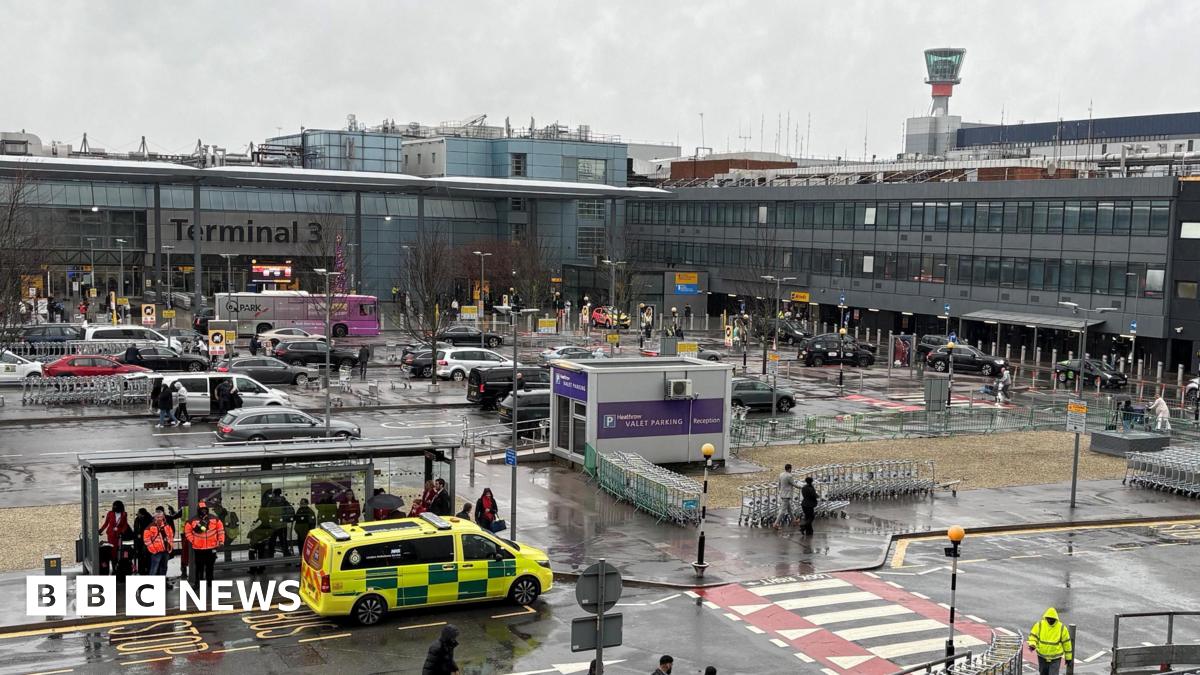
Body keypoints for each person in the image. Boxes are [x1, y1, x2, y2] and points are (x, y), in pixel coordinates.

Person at [183, 500, 225, 586]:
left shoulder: (214, 519)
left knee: (210, 566)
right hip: (199, 548)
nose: (204, 511)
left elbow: (220, 530)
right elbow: (187, 532)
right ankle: (198, 583)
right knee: (199, 567)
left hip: (212, 547)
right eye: (202, 509)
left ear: (207, 509)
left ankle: (210, 583)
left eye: (205, 509)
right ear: (199, 510)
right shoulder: (192, 521)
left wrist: (221, 541)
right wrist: (193, 541)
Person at [1028, 607, 1073, 675]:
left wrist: (1068, 657)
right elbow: (1033, 636)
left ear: (1055, 619)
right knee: (1043, 673)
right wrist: (1032, 644)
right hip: (1042, 656)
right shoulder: (1040, 625)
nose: (1050, 620)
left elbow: (1067, 643)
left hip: (1055, 658)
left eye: (1052, 619)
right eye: (1048, 618)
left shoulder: (1061, 628)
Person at [99, 500, 130, 570]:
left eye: (115, 506)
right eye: (114, 506)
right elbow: (106, 523)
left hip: (119, 535)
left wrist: (122, 531)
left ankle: (117, 565)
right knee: (112, 550)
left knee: (118, 550)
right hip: (111, 534)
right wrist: (101, 530)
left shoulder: (124, 514)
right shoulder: (110, 513)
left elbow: (125, 524)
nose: (114, 507)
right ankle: (114, 567)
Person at [143, 510, 174, 579]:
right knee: (154, 569)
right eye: (157, 517)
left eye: (160, 517)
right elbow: (147, 540)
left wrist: (170, 546)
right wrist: (154, 550)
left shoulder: (167, 526)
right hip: (156, 552)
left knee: (164, 568)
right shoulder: (149, 527)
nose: (159, 518)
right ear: (154, 517)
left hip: (166, 551)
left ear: (163, 517)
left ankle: (161, 583)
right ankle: (151, 584)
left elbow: (171, 536)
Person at [773, 463, 800, 529]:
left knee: (789, 509)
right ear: (789, 469)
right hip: (787, 495)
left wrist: (780, 491)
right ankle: (776, 524)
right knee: (782, 511)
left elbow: (779, 484)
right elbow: (794, 484)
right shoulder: (789, 476)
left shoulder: (781, 474)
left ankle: (794, 521)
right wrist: (801, 487)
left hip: (782, 493)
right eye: (791, 469)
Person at [132, 508, 154, 574]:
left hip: (146, 541)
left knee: (146, 556)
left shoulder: (149, 520)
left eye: (138, 513)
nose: (137, 514)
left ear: (142, 514)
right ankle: (142, 570)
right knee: (141, 556)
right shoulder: (138, 520)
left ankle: (146, 570)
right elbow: (135, 529)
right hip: (139, 541)